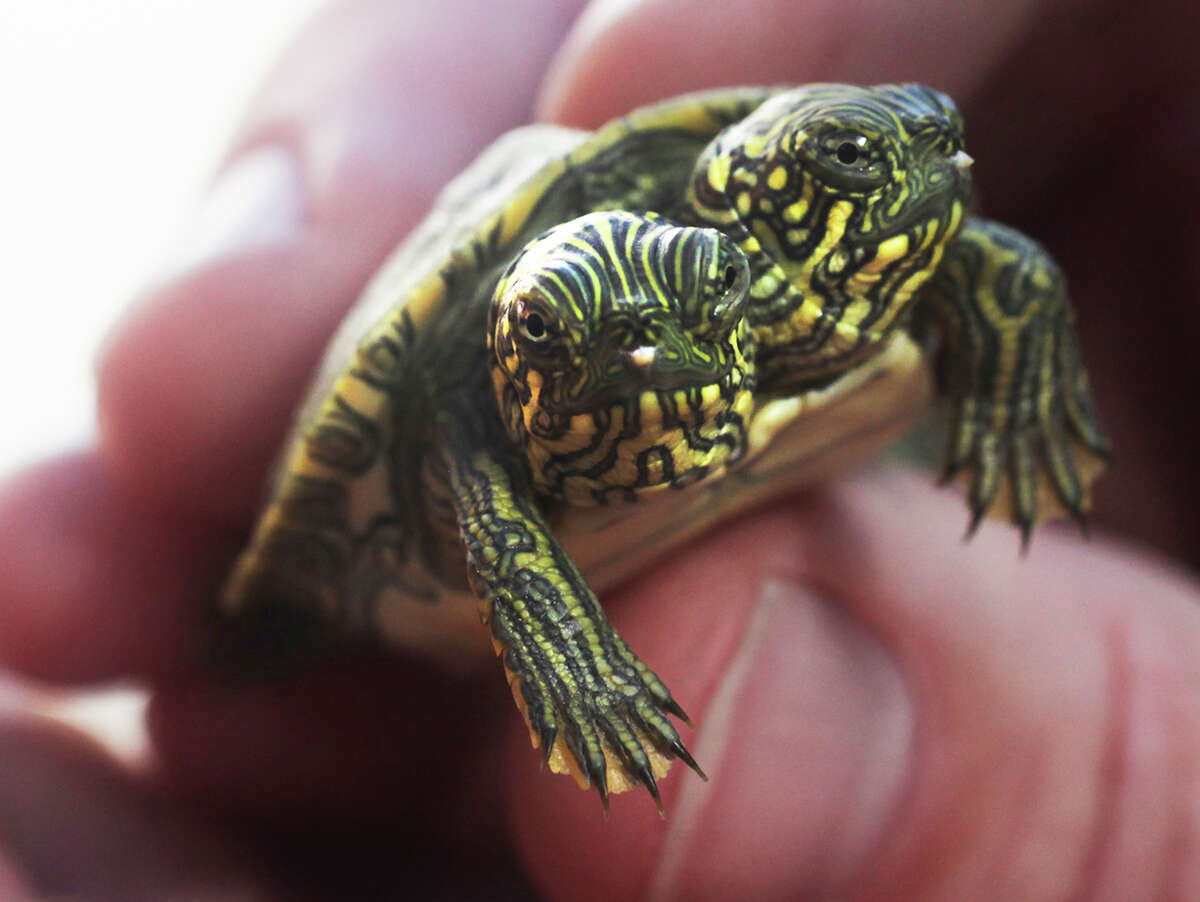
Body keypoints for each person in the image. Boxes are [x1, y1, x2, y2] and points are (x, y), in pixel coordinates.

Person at [1, 0, 1198, 898]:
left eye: (932, 148)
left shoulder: (860, 279)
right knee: (256, 630)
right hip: (457, 477)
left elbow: (999, 264)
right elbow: (504, 383)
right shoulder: (590, 298)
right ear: (747, 185)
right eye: (849, 164)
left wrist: (1021, 397)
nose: (929, 160)